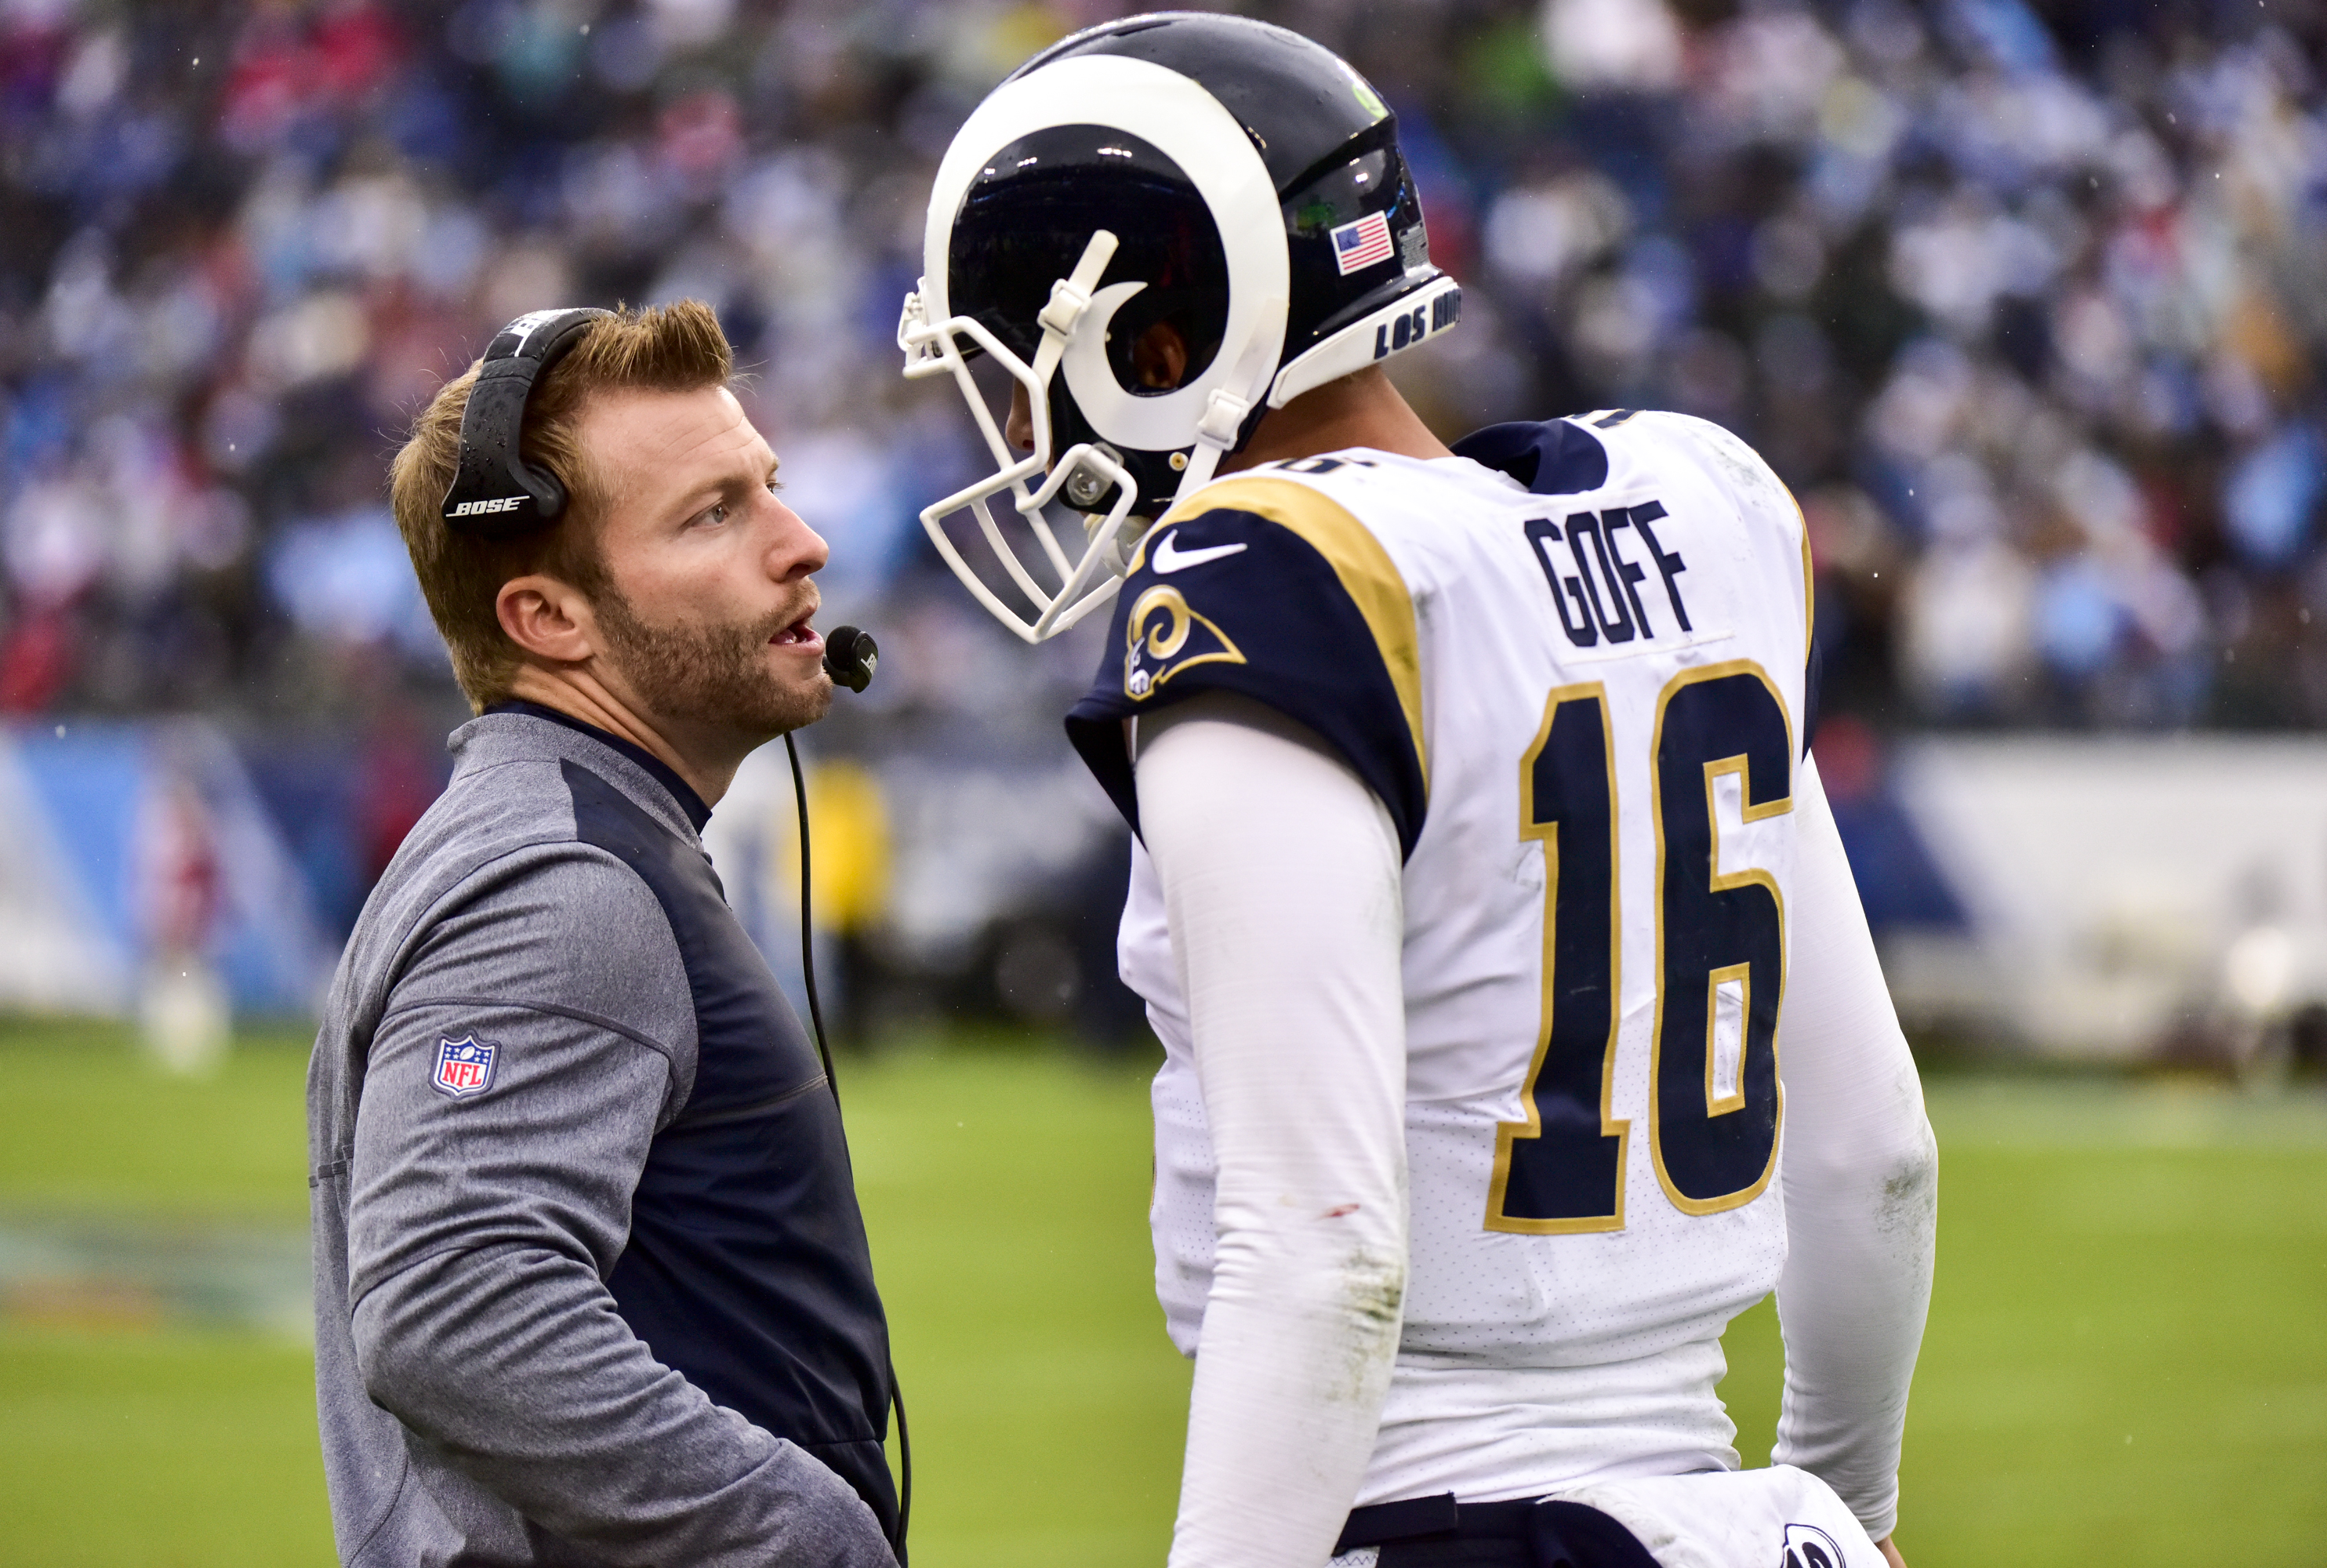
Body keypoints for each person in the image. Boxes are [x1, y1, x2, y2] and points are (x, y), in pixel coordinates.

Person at [898, 15, 1937, 1568]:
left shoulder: (1276, 575)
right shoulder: (1702, 500)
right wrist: (1836, 1513)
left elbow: (1322, 1255)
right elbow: (1876, 1158)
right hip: (1747, 1519)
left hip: (1456, 1515)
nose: (1028, 438)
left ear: (1151, 341)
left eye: (1025, 371)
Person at [307, 300, 901, 1568]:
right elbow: (452, 1310)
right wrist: (811, 1537)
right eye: (713, 515)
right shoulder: (560, 884)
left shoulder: (581, 840)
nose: (804, 545)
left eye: (768, 488)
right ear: (548, 622)